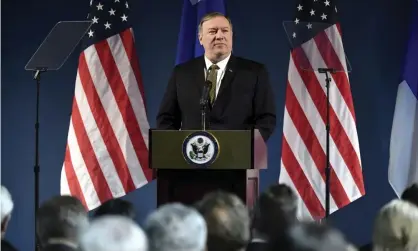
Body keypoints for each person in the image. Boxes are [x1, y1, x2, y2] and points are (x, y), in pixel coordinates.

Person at [156, 12, 276, 142]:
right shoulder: (182, 73)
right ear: (200, 38)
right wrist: (179, 147)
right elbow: (166, 118)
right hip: (193, 156)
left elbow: (266, 119)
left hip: (238, 157)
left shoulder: (254, 72)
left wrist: (244, 146)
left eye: (225, 31)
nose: (220, 36)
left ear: (231, 36)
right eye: (213, 31)